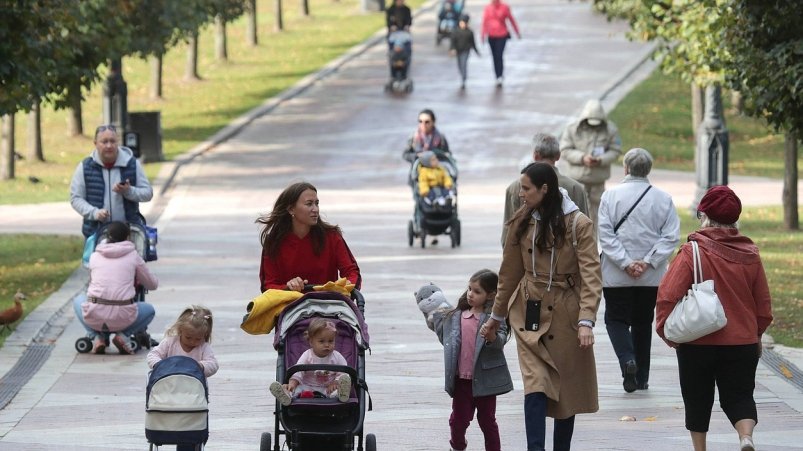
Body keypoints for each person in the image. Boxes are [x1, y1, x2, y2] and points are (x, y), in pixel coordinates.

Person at [481, 162, 601, 451]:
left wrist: (586, 321)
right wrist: (496, 316)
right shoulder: (522, 220)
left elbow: (591, 276)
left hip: (566, 313)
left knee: (566, 391)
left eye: (526, 188)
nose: (521, 194)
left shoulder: (578, 224)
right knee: (535, 384)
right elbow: (509, 272)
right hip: (528, 312)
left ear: (544, 189)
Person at [656, 186, 772, 451]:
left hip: (697, 341)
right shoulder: (750, 254)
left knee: (697, 399)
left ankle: (700, 449)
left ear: (704, 215)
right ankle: (745, 438)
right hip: (741, 341)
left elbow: (668, 294)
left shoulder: (692, 251)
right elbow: (763, 304)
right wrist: (757, 334)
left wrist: (666, 330)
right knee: (741, 395)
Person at [598, 148, 680, 393]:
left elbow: (605, 235)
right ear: (649, 170)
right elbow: (670, 236)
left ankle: (627, 360)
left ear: (625, 168)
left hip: (616, 275)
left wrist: (625, 262)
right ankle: (641, 377)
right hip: (650, 277)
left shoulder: (610, 197)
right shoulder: (663, 199)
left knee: (615, 319)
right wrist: (647, 261)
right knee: (643, 322)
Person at [426, 269, 513, 451]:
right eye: (469, 289)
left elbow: (501, 340)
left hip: (485, 382)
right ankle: (457, 446)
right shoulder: (457, 315)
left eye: (477, 291)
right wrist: (430, 312)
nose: (471, 294)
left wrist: (492, 337)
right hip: (461, 381)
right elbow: (444, 336)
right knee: (458, 421)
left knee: (487, 421)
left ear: (490, 295)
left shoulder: (494, 319)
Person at [257, 182, 361, 293]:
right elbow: (268, 286)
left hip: (328, 304)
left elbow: (352, 272)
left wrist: (348, 285)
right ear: (291, 209)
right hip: (289, 305)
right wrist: (288, 286)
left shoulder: (332, 237)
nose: (315, 209)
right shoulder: (274, 242)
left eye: (317, 203)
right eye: (309, 204)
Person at [73, 221, 158, 354]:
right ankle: (123, 335)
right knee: (149, 310)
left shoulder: (94, 257)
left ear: (106, 236)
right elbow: (152, 285)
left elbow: (91, 282)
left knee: (78, 300)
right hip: (123, 316)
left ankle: (96, 337)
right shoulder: (133, 256)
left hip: (95, 313)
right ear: (128, 237)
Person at [502, 132, 589, 245]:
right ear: (558, 155)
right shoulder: (575, 188)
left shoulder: (515, 187)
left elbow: (508, 236)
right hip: (565, 256)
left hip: (527, 257)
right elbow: (585, 232)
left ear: (535, 155)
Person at [70, 124, 153, 239]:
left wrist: (129, 191)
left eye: (112, 141)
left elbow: (148, 193)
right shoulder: (85, 167)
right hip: (96, 234)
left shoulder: (131, 164)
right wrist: (94, 213)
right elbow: (76, 198)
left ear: (118, 142)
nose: (109, 146)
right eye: (104, 142)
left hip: (129, 233)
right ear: (95, 144)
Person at [559, 99, 622, 229]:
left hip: (597, 182)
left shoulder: (611, 130)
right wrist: (582, 158)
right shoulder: (572, 130)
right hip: (576, 182)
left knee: (594, 219)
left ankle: (591, 246)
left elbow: (616, 150)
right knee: (574, 217)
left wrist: (601, 159)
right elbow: (565, 150)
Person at [269, 317, 352, 405]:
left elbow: (343, 372)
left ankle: (342, 394)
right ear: (311, 342)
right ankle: (286, 395)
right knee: (295, 389)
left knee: (335, 391)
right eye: (321, 341)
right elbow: (298, 370)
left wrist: (336, 382)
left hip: (327, 388)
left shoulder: (337, 356)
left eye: (331, 341)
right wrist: (293, 382)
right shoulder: (307, 355)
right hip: (307, 386)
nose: (327, 345)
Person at [147, 305, 219, 378]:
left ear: (205, 334)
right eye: (188, 337)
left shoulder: (204, 347)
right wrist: (159, 364)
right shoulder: (170, 342)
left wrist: (201, 366)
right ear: (180, 330)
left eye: (198, 339)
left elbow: (213, 364)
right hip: (169, 382)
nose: (192, 342)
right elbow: (153, 354)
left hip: (194, 384)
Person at [481, 0, 520, 87]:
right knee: (494, 56)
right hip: (491, 35)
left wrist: (517, 31)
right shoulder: (488, 8)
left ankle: (500, 75)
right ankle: (497, 75)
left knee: (499, 55)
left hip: (502, 35)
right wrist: (483, 35)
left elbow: (511, 19)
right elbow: (484, 22)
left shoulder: (504, 7)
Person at [450, 14, 481, 90]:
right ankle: (462, 76)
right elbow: (452, 42)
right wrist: (452, 49)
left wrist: (477, 52)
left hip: (466, 51)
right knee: (460, 65)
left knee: (464, 64)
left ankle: (463, 79)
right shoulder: (455, 31)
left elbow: (473, 43)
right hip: (458, 51)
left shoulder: (469, 32)